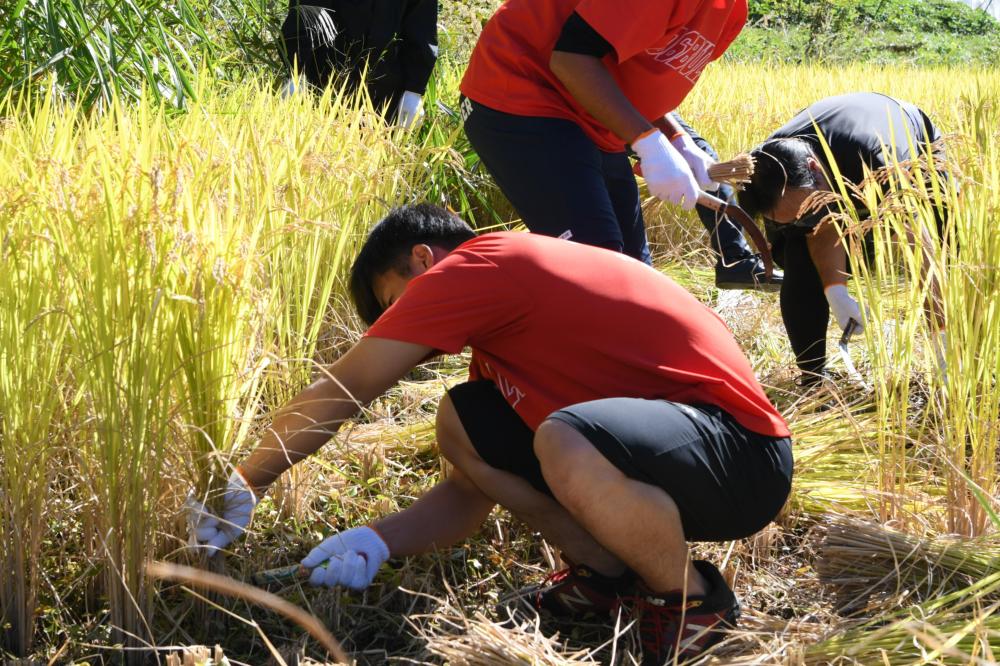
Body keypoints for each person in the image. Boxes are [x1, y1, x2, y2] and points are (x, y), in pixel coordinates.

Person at [190, 204, 793, 664]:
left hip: (739, 452)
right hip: (680, 454)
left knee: (561, 436)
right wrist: (375, 540)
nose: (404, 328)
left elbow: (348, 388)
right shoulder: (503, 341)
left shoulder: (484, 263)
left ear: (424, 261)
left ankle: (689, 605)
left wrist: (246, 479)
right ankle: (605, 576)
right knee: (463, 421)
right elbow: (467, 496)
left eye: (394, 303)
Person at [459, 0, 781, 290]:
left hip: (594, 117)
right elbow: (572, 58)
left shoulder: (730, 11)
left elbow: (631, 72)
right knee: (599, 268)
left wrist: (676, 139)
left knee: (635, 275)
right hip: (518, 94)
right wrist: (647, 141)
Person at [737, 92, 948, 382]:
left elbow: (922, 254)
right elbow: (820, 225)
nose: (806, 221)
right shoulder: (765, 172)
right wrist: (835, 291)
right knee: (798, 255)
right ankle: (813, 377)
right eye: (794, 217)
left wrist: (942, 340)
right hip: (827, 166)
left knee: (949, 240)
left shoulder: (875, 160)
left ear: (814, 169)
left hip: (910, 140)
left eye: (806, 211)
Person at [280, 0, 438, 127]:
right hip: (322, 83)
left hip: (384, 93)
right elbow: (305, 12)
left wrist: (414, 90)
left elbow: (421, 23)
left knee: (373, 161)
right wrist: (297, 70)